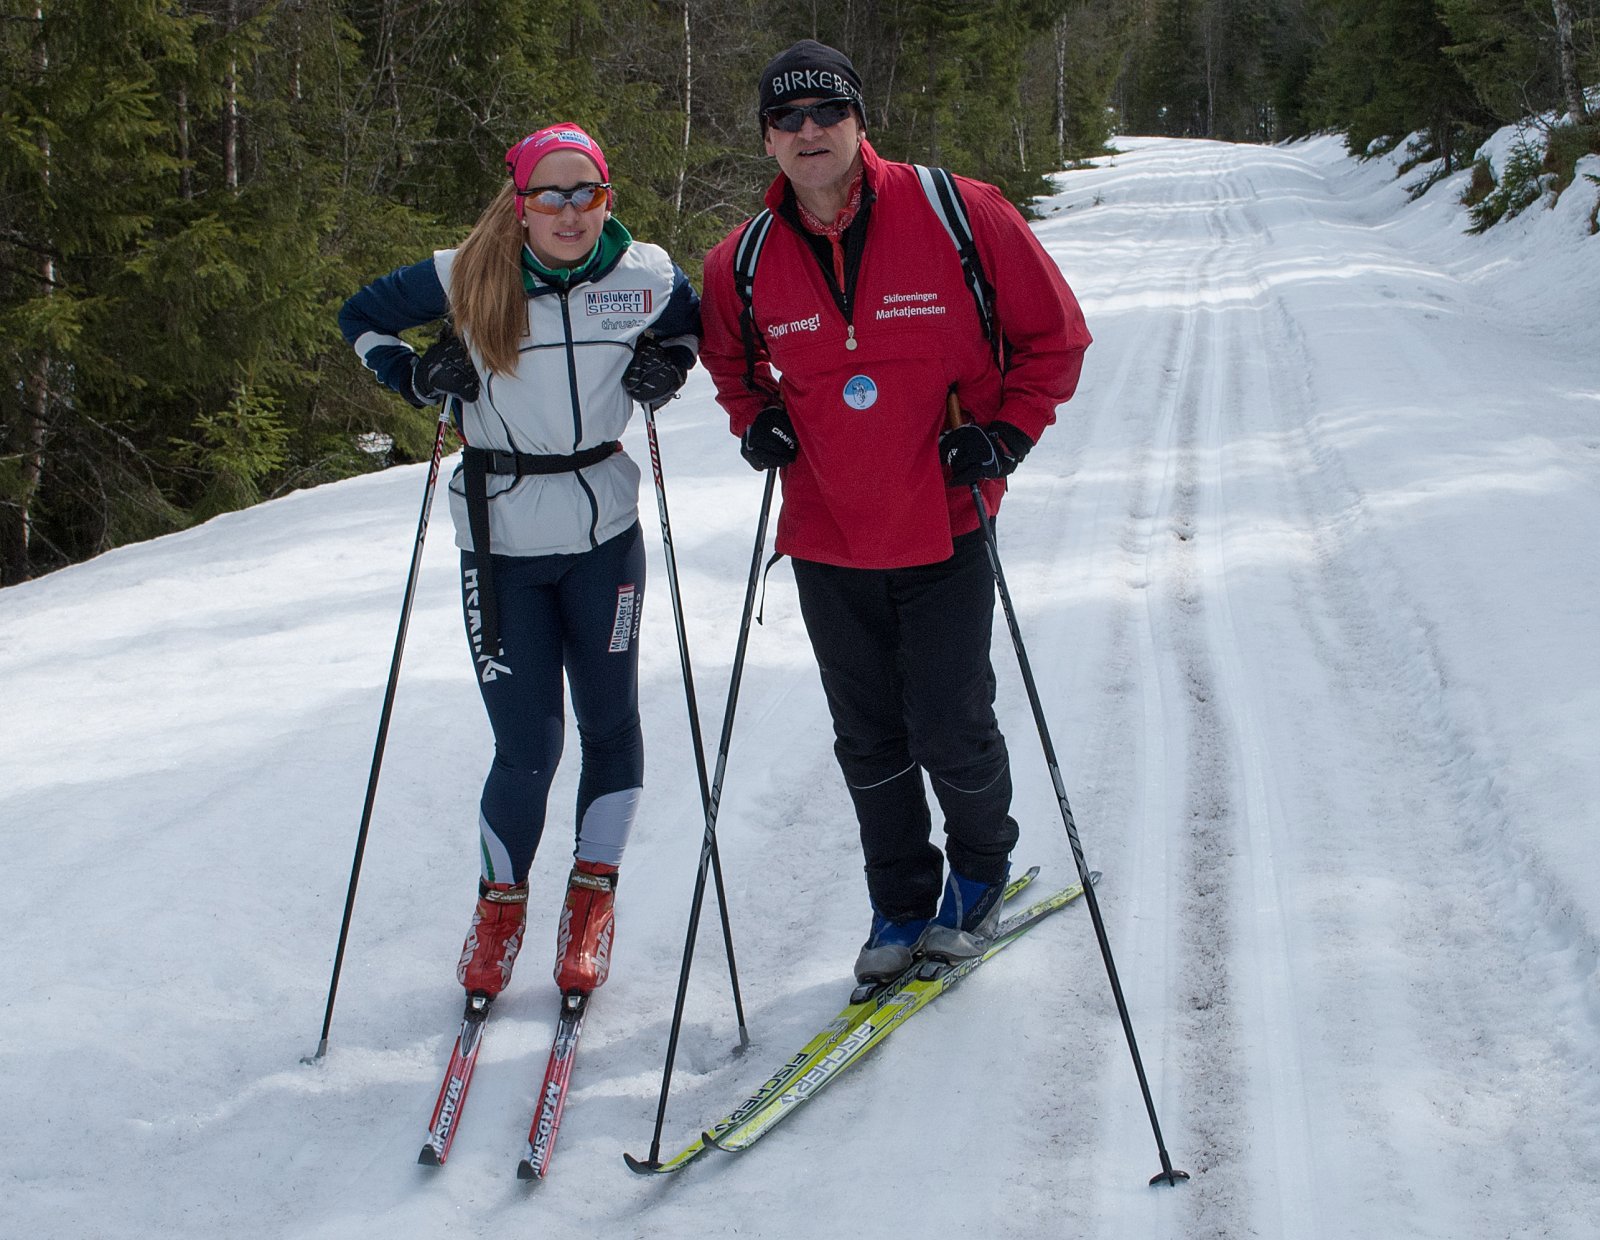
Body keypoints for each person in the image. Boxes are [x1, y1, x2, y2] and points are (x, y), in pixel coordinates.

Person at [698, 41, 1092, 986]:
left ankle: (982, 871)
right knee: (867, 734)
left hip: (945, 515)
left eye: (825, 112)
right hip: (829, 534)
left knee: (950, 722)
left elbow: (1056, 338)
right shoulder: (740, 261)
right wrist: (758, 424)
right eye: (786, 119)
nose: (808, 132)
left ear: (859, 121)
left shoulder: (960, 211)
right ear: (767, 141)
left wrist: (1005, 437)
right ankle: (902, 897)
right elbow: (731, 366)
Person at [338, 123, 700, 1000]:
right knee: (527, 745)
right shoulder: (467, 272)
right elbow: (361, 318)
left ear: (608, 197)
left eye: (589, 194)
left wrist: (668, 366)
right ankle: (499, 913)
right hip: (500, 544)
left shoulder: (643, 276)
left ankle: (590, 906)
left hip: (603, 534)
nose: (570, 213)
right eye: (551, 195)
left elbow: (693, 328)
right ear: (521, 202)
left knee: (611, 726)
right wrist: (415, 378)